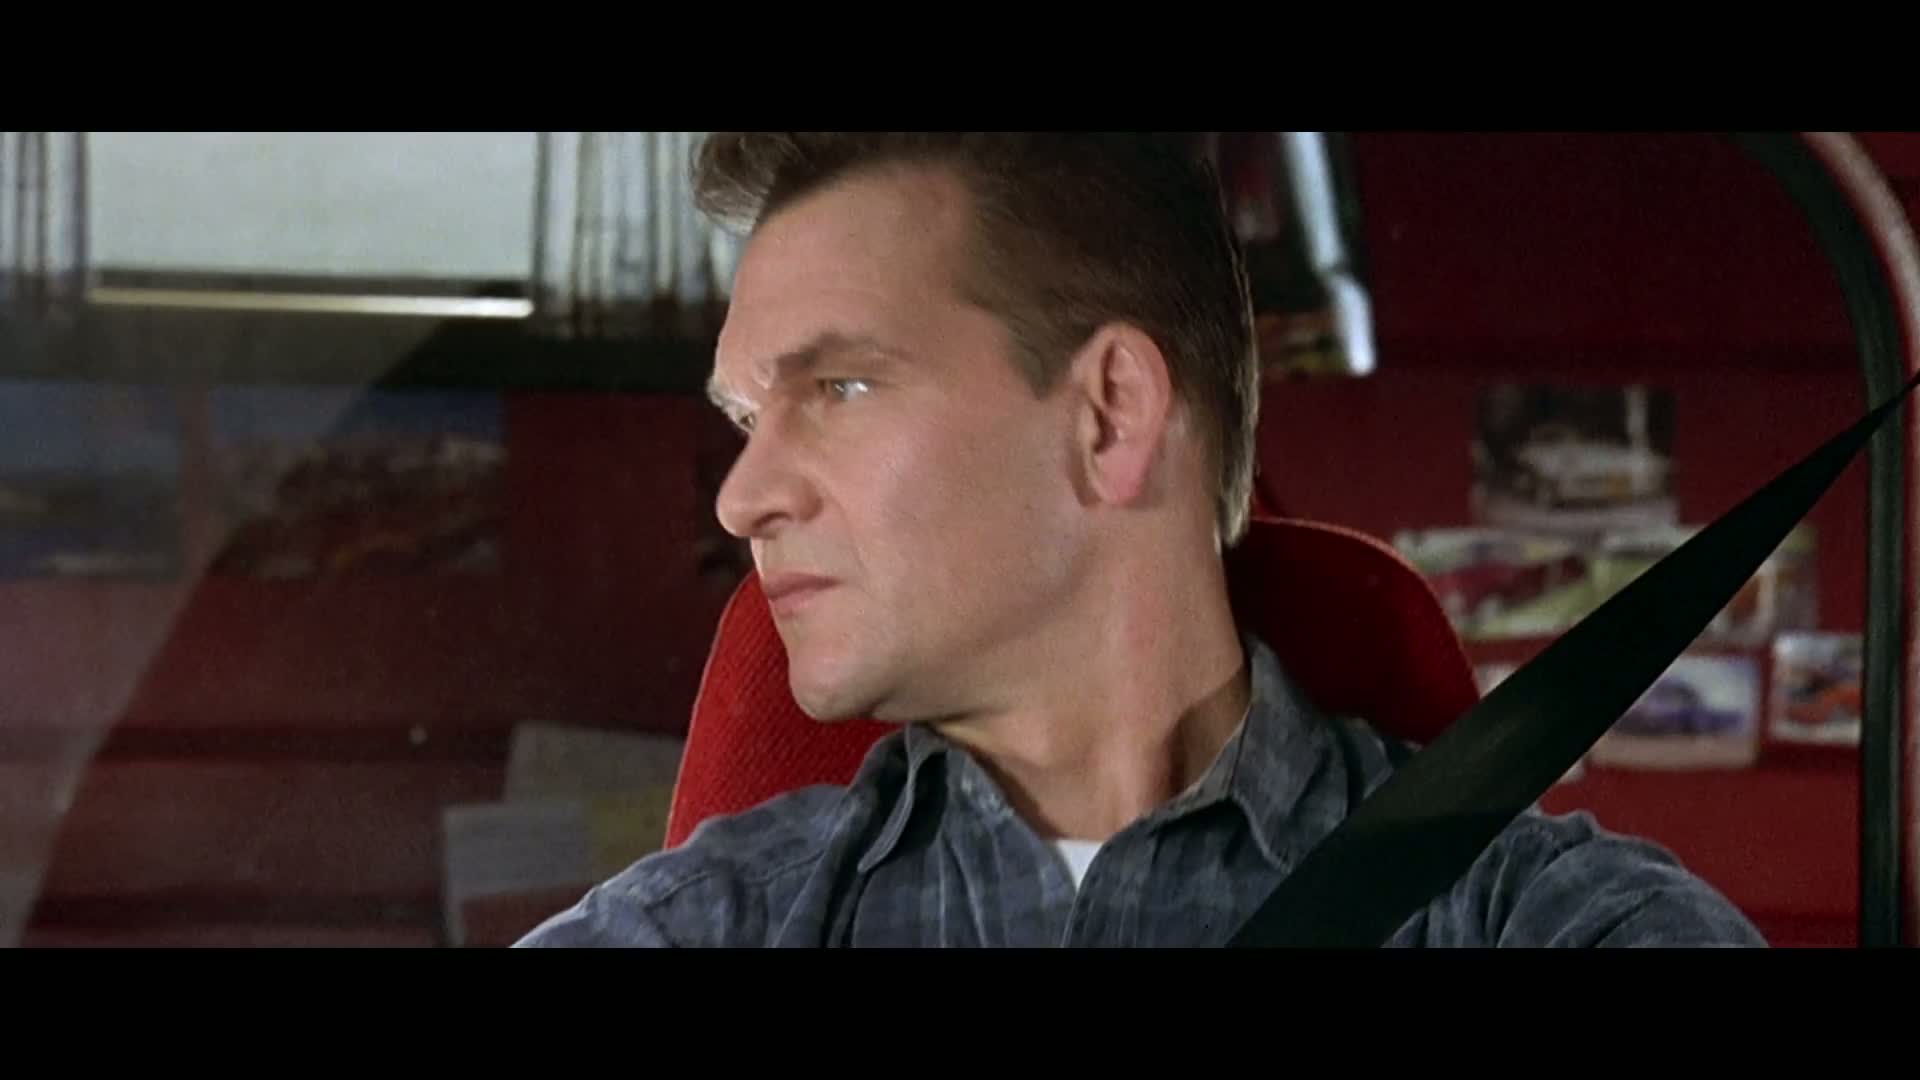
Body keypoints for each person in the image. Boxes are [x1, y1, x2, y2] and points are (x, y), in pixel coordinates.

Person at [516, 132, 1766, 948]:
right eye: (749, 417)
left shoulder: (1546, 923)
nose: (741, 498)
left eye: (838, 388)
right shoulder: (699, 929)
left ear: (1110, 415)